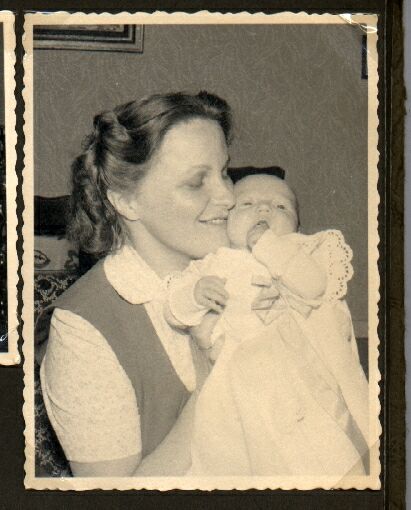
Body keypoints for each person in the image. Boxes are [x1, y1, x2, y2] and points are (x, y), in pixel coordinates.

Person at [37, 91, 244, 477]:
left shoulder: (245, 269)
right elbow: (114, 498)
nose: (229, 196)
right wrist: (212, 382)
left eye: (224, 173)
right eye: (196, 182)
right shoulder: (83, 327)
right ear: (126, 201)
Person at [164, 172, 370, 476]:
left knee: (320, 446)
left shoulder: (299, 250)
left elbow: (314, 286)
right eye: (246, 204)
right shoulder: (211, 262)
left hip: (292, 370)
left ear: (297, 227)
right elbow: (173, 310)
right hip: (232, 375)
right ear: (225, 223)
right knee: (235, 451)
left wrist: (268, 246)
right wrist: (194, 295)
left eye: (281, 206)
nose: (264, 209)